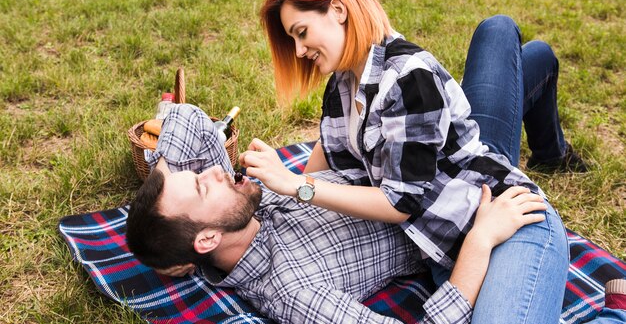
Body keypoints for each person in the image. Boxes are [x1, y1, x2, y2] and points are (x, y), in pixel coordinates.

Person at [241, 0, 588, 323]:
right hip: (447, 247)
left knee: (497, 31)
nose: (298, 51)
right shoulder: (342, 83)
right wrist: (272, 201)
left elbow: (399, 202)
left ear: (338, 10)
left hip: (507, 218)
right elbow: (328, 158)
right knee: (512, 55)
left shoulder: (408, 77)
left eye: (301, 32)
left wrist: (298, 185)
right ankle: (540, 67)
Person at [126, 104, 550, 324]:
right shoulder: (291, 290)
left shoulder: (245, 205)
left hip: (431, 157)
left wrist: (164, 175)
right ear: (206, 241)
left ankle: (552, 145)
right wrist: (480, 240)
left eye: (198, 172)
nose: (216, 170)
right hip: (463, 207)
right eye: (202, 184)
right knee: (502, 42)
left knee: (497, 33)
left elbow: (186, 120)